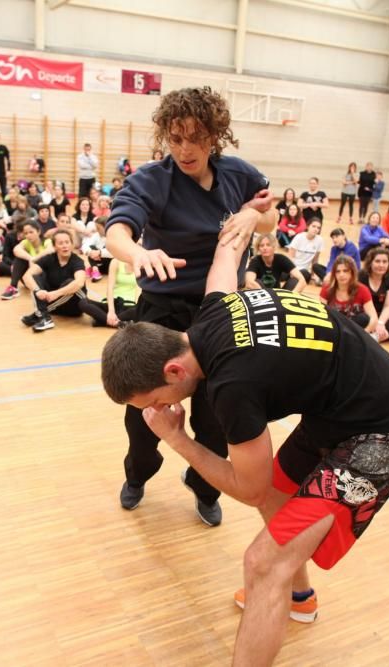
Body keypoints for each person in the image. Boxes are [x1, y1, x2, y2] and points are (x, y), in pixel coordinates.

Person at [99, 235, 389, 666]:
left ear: (173, 368)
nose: (163, 409)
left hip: (386, 426)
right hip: (346, 403)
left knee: (262, 563)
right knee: (279, 490)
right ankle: (299, 596)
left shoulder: (232, 388)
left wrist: (177, 438)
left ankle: (279, 585)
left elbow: (248, 489)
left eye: (156, 401)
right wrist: (246, 218)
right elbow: (226, 257)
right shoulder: (215, 313)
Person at [104, 86, 276, 525]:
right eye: (175, 137)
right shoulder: (151, 180)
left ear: (215, 135)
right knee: (145, 412)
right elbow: (116, 232)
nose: (184, 148)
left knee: (219, 415)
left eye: (195, 137)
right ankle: (138, 474)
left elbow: (270, 213)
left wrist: (257, 217)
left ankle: (204, 486)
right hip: (161, 313)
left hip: (220, 314)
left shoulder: (239, 175)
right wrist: (137, 253)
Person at [19, 229, 95, 332]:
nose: (65, 246)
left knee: (70, 283)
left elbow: (79, 282)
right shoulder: (49, 259)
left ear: (72, 245)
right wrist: (37, 291)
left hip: (73, 306)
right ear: (54, 247)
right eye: (60, 243)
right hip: (54, 304)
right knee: (35, 278)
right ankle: (44, 317)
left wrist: (56, 293)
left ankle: (40, 314)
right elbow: (27, 275)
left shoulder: (77, 261)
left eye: (67, 242)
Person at [320, 255, 377, 333]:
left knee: (364, 318)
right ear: (334, 274)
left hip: (354, 329)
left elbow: (373, 317)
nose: (341, 275)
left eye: (345, 271)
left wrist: (364, 334)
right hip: (334, 327)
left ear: (352, 273)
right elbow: (322, 315)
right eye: (338, 271)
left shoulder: (362, 290)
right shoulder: (327, 289)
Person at [0, 220, 53, 300]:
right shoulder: (26, 242)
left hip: (44, 279)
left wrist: (36, 258)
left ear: (38, 231)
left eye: (31, 232)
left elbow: (51, 250)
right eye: (26, 233)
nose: (28, 235)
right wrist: (30, 258)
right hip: (28, 278)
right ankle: (13, 287)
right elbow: (16, 250)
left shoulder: (46, 241)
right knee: (20, 259)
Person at [81, 256, 139, 328]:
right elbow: (110, 287)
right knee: (83, 302)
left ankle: (102, 320)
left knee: (140, 309)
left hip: (128, 306)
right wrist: (111, 311)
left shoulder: (140, 265)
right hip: (110, 304)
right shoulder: (116, 262)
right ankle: (118, 323)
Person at [288, 219, 325, 286]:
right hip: (293, 268)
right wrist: (292, 271)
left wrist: (313, 275)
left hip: (304, 271)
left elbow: (315, 261)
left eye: (318, 228)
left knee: (304, 274)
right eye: (313, 226)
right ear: (308, 226)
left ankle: (295, 279)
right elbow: (290, 256)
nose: (316, 229)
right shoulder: (299, 237)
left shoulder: (320, 240)